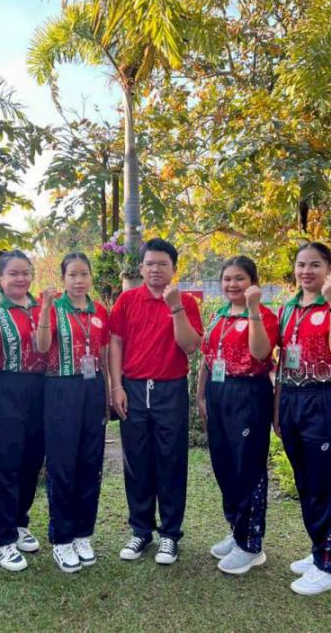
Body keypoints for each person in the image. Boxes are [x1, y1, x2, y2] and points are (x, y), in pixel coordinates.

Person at [108, 238, 203, 565]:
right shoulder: (127, 300)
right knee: (136, 461)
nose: (155, 269)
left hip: (169, 390)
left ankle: (170, 534)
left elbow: (190, 346)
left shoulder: (186, 302)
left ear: (174, 268)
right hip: (133, 388)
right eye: (150, 263)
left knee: (171, 461)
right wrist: (116, 386)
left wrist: (175, 307)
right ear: (141, 267)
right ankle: (140, 530)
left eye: (163, 264)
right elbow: (116, 343)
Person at [274, 242, 331, 595]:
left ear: (329, 268)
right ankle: (321, 549)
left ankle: (329, 565)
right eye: (301, 264)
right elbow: (282, 362)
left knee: (326, 484)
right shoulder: (288, 308)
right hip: (291, 399)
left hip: (323, 399)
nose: (306, 271)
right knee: (306, 482)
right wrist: (278, 408)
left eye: (315, 265)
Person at [197, 256, 278, 575]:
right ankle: (236, 529)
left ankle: (251, 545)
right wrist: (201, 395)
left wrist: (253, 310)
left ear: (253, 282)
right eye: (227, 279)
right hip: (218, 393)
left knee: (247, 468)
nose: (233, 284)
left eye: (240, 278)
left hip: (248, 394)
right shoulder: (219, 315)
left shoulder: (264, 316)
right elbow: (207, 358)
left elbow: (260, 353)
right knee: (225, 466)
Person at [34, 253, 110, 573]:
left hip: (93, 388)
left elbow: (103, 355)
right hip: (61, 388)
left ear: (91, 277)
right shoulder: (54, 308)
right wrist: (45, 310)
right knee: (63, 464)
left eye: (84, 274)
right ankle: (62, 539)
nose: (79, 280)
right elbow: (41, 347)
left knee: (90, 463)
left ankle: (83, 534)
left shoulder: (100, 311)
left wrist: (107, 394)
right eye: (72, 275)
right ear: (63, 278)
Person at [0, 250, 46, 572]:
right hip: (3, 387)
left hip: (40, 389)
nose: (20, 279)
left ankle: (19, 522)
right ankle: (1, 537)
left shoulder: (41, 307)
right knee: (4, 461)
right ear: (1, 278)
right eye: (13, 273)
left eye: (25, 272)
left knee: (32, 460)